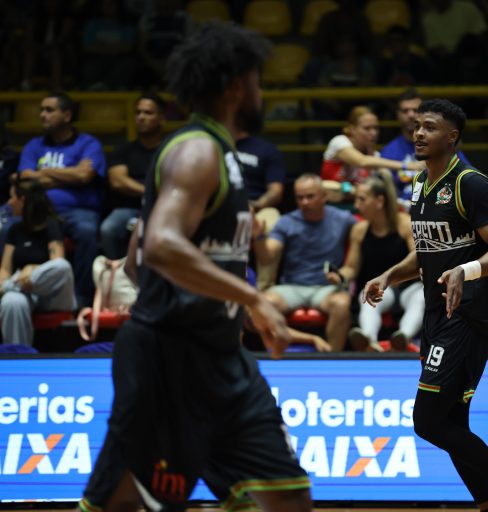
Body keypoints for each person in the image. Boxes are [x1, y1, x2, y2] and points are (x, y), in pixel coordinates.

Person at [79, 22, 312, 512]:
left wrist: (219, 302)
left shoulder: (223, 154)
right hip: (168, 359)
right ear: (235, 86)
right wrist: (250, 297)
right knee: (124, 505)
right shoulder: (197, 150)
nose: (261, 92)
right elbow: (159, 246)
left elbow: (139, 259)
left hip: (222, 357)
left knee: (287, 497)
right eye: (257, 81)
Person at [363, 99, 488, 512]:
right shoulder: (418, 184)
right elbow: (427, 251)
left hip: (469, 314)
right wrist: (389, 275)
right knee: (452, 423)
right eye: (417, 126)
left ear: (452, 137)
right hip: (437, 313)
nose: (419, 133)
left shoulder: (471, 183)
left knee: (428, 421)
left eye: (429, 127)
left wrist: (467, 270)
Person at [17, 91, 106, 309]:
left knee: (86, 231)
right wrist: (70, 174)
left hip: (78, 210)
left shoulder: (88, 143)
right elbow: (25, 178)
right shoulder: (34, 145)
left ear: (67, 115)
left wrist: (44, 174)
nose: (42, 115)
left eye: (49, 110)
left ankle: (83, 299)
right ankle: (11, 288)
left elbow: (84, 176)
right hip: (38, 211)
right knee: (7, 225)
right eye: (41, 110)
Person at [253, 173, 357, 352]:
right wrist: (259, 237)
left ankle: (333, 358)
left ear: (324, 196)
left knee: (341, 304)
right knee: (264, 304)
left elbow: (366, 233)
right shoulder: (286, 222)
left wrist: (341, 276)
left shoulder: (343, 219)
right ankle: (276, 356)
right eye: (300, 198)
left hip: (326, 288)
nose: (305, 202)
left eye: (310, 196)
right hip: (292, 286)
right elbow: (267, 257)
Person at [329, 174, 424, 352]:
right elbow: (351, 268)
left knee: (420, 298)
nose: (356, 205)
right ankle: (368, 340)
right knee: (367, 296)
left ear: (380, 201)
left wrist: (393, 276)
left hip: (409, 287)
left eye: (362, 199)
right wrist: (340, 276)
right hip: (381, 289)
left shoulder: (406, 224)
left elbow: (418, 258)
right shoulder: (359, 230)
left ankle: (402, 338)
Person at [0, 178, 75, 346]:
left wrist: (32, 269)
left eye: (12, 197)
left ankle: (12, 285)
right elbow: (4, 269)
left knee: (63, 266)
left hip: (51, 293)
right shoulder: (14, 230)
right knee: (11, 301)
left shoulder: (51, 226)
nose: (9, 202)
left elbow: (57, 263)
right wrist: (7, 281)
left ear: (23, 200)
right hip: (25, 293)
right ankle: (18, 356)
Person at [100, 93, 165, 260]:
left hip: (163, 207)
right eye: (138, 113)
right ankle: (116, 271)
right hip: (130, 209)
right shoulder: (124, 150)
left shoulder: (171, 149)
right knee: (109, 228)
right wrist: (151, 191)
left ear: (161, 118)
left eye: (148, 113)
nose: (141, 117)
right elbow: (118, 181)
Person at [380, 89, 468, 207]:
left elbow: (465, 178)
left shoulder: (441, 147)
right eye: (405, 111)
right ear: (398, 114)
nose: (410, 115)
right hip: (402, 209)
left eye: (415, 110)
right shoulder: (389, 151)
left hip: (441, 206)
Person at [320, 105, 422, 204]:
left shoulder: (375, 157)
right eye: (367, 128)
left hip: (359, 207)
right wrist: (407, 166)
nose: (373, 133)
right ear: (352, 129)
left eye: (376, 128)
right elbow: (362, 161)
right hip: (331, 205)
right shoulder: (339, 142)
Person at [235, 129, 285, 290]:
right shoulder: (213, 147)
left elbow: (276, 191)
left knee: (269, 223)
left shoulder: (265, 149)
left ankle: (264, 291)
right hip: (225, 205)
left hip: (258, 206)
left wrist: (255, 205)